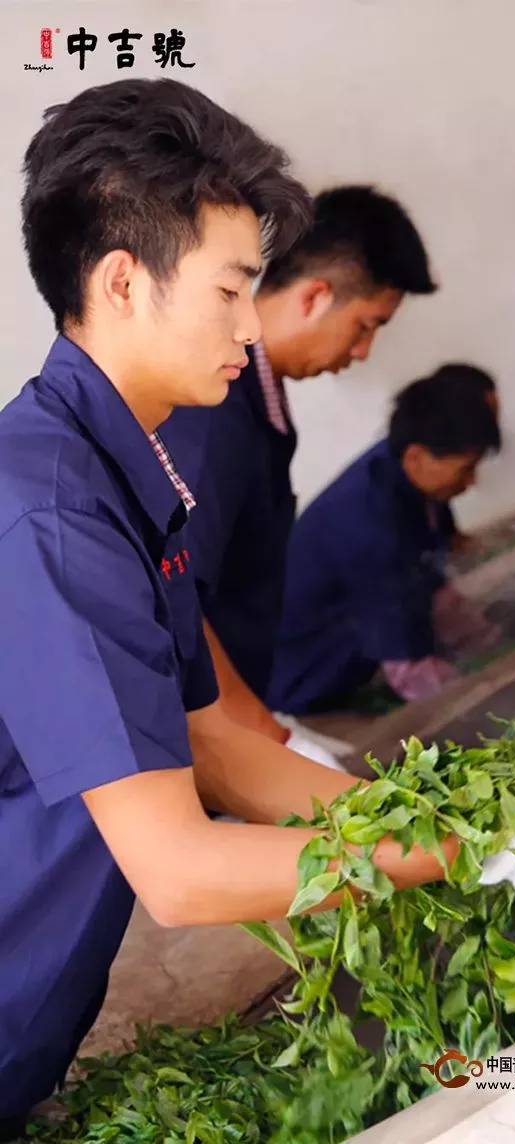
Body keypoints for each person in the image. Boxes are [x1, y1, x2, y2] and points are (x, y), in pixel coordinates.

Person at [0, 79, 457, 1135]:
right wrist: (457, 857)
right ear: (123, 281)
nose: (251, 327)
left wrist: (426, 822)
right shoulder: (54, 508)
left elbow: (214, 741)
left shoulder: (125, 471)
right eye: (230, 289)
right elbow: (177, 871)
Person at [160, 185, 437, 749]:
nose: (362, 352)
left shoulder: (256, 399)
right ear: (314, 296)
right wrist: (265, 739)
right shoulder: (217, 412)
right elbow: (174, 598)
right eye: (366, 326)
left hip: (239, 711)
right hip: (202, 733)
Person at [266, 367, 502, 715]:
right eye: (464, 469)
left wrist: (482, 640)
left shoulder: (402, 471)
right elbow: (409, 667)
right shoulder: (368, 531)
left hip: (356, 638)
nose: (472, 482)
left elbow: (431, 580)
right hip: (308, 677)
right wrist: (485, 703)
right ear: (416, 457)